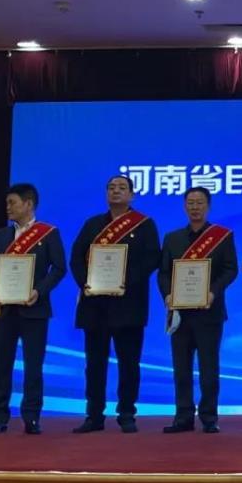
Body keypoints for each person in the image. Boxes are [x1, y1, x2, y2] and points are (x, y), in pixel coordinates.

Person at [71, 175, 160, 434]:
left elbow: (152, 259)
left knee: (129, 363)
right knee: (94, 364)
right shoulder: (92, 224)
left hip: (128, 304)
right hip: (95, 305)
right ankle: (94, 415)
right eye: (111, 188)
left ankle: (127, 413)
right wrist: (85, 283)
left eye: (121, 188)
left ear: (132, 195)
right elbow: (76, 258)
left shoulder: (144, 225)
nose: (115, 191)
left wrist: (124, 281)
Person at [0, 183, 67, 435]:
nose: (8, 208)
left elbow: (59, 268)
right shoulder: (1, 235)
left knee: (33, 366)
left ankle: (31, 416)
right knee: (2, 365)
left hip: (34, 309)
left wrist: (39, 290)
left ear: (28, 204)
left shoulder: (48, 233)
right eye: (7, 203)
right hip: (4, 309)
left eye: (12, 203)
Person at [157, 187, 238, 434]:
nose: (195, 207)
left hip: (209, 312)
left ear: (208, 206)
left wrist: (213, 292)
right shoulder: (172, 238)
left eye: (200, 202)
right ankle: (183, 416)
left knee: (209, 369)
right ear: (184, 206)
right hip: (180, 313)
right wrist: (168, 295)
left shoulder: (222, 236)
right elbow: (164, 273)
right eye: (190, 203)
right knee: (181, 368)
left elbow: (230, 269)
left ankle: (209, 417)